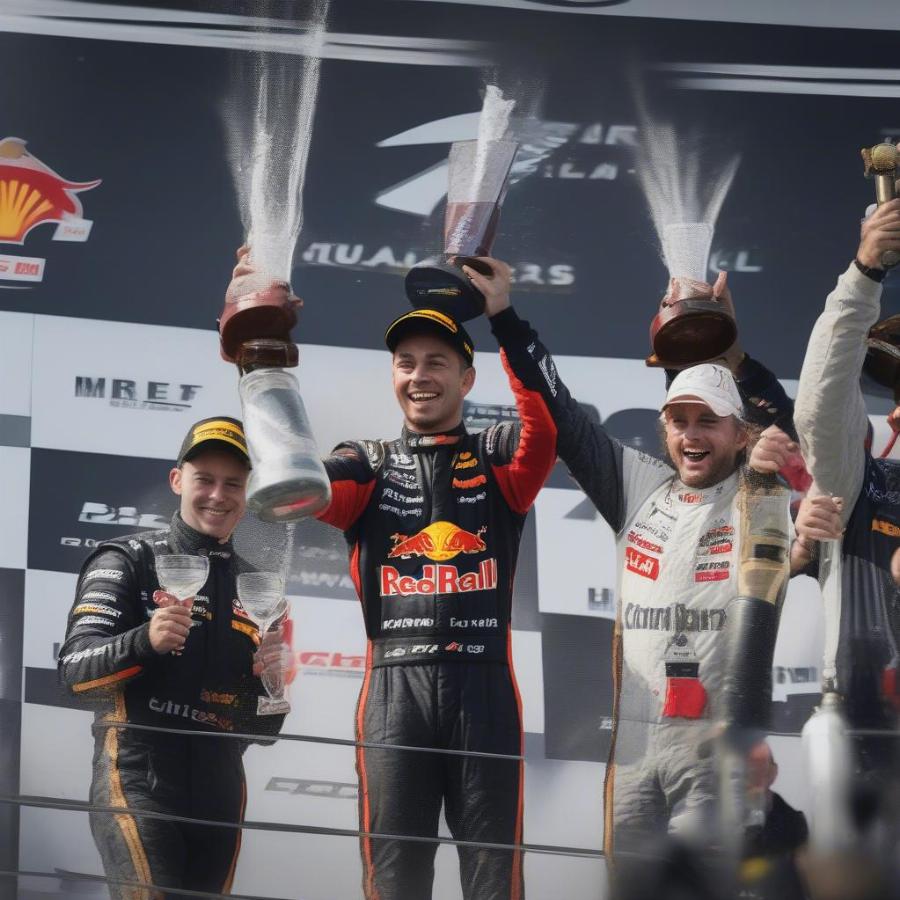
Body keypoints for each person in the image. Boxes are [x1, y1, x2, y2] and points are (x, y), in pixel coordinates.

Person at [227, 251, 558, 900]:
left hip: (482, 691)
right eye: (406, 362)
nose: (419, 375)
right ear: (392, 376)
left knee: (496, 877)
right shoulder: (365, 464)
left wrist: (504, 316)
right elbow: (291, 478)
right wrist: (262, 348)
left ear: (467, 378)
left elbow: (545, 422)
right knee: (394, 878)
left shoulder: (499, 457)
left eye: (437, 361)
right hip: (392, 696)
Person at [460, 260, 807, 866]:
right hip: (634, 745)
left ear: (740, 433)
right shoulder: (638, 485)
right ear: (663, 427)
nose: (691, 434)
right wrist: (504, 317)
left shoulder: (762, 495)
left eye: (708, 421)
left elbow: (799, 438)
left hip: (717, 748)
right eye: (679, 420)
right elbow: (561, 413)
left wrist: (728, 347)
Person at [58, 416, 288, 898]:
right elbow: (74, 673)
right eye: (204, 479)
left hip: (221, 789)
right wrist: (145, 640)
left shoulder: (255, 586)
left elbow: (262, 732)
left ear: (248, 493)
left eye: (233, 484)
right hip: (139, 775)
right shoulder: (128, 559)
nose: (217, 495)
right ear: (178, 480)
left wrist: (271, 687)